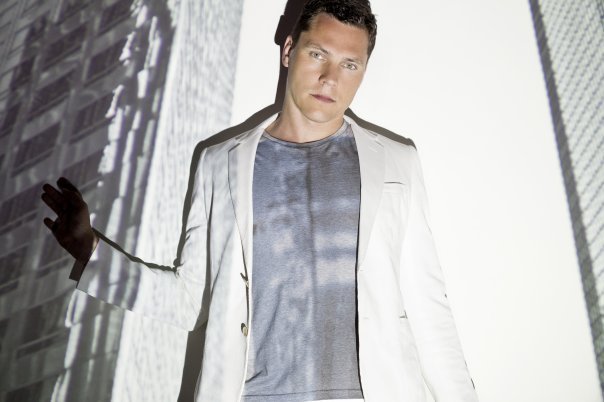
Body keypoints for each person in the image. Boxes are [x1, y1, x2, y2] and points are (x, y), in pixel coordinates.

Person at [42, 1, 479, 401]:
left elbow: (430, 312)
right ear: (289, 50)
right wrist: (90, 251)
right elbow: (191, 300)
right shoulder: (219, 163)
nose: (331, 78)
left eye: (350, 65)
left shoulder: (398, 162)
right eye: (318, 54)